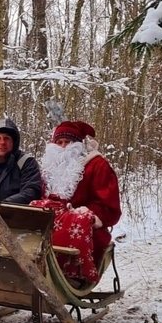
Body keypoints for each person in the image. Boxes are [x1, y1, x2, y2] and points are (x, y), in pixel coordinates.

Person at [30, 120, 121, 285]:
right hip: (51, 221)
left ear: (78, 145)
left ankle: (74, 273)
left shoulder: (97, 165)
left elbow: (109, 207)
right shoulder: (48, 169)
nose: (63, 147)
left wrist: (85, 213)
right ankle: (32, 267)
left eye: (68, 142)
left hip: (86, 228)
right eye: (59, 142)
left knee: (72, 224)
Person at [0, 118, 42, 204]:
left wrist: (4, 205)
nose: (2, 142)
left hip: (16, 214)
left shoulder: (26, 162)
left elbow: (32, 190)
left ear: (13, 142)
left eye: (6, 138)